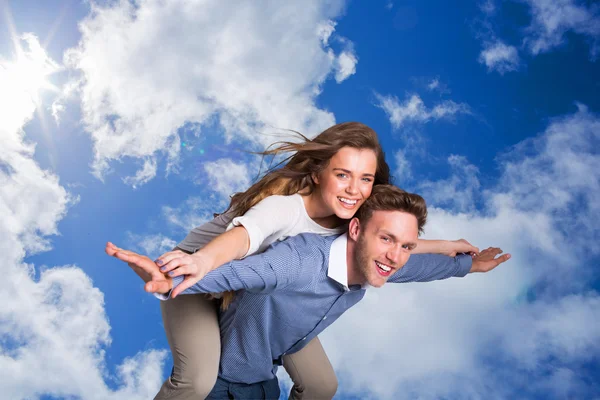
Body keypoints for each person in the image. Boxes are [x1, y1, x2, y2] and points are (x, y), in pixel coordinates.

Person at [126, 122, 479, 399]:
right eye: (343, 175)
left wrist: (449, 248)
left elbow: (388, 245)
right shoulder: (286, 208)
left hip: (259, 283)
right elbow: (244, 237)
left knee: (321, 384)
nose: (354, 189)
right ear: (316, 173)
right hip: (190, 272)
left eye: (365, 179)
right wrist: (199, 263)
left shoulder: (351, 215)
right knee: (198, 380)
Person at [107, 185, 510, 399]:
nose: (397, 257)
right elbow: (247, 271)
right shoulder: (299, 261)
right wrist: (171, 280)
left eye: (405, 245)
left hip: (279, 342)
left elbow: (420, 267)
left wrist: (470, 265)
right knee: (196, 380)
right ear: (355, 230)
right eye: (388, 240)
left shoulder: (377, 263)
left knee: (322, 386)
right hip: (231, 380)